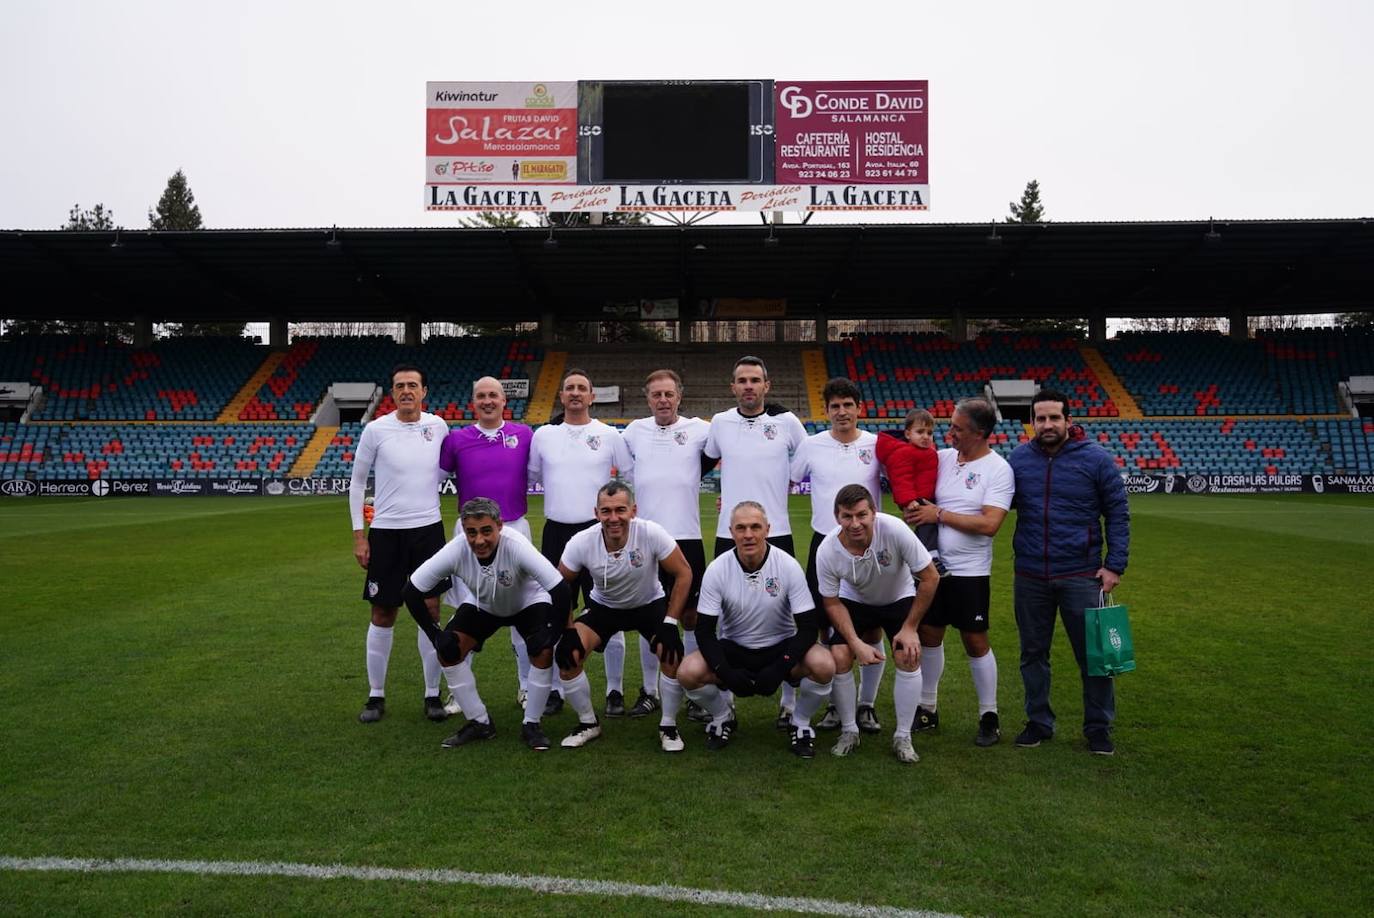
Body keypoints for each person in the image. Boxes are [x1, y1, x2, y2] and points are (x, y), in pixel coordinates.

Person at [1008, 388, 1130, 756]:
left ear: (1068, 421)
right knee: (1032, 653)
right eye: (1040, 419)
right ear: (1031, 423)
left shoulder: (1095, 459)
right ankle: (1039, 722)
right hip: (1030, 574)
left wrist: (1114, 565)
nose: (1046, 424)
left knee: (1094, 656)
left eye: (1053, 418)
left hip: (1082, 574)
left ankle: (1098, 727)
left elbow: (1118, 512)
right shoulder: (1018, 459)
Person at [403, 497, 573, 751]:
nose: (479, 540)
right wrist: (435, 635)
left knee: (542, 649)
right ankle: (479, 722)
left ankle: (532, 724)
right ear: (463, 529)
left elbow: (560, 589)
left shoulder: (516, 545)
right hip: (484, 604)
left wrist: (554, 634)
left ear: (499, 526)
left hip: (527, 602)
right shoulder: (457, 548)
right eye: (471, 532)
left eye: (486, 531)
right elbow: (412, 591)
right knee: (448, 650)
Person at [676, 501, 835, 758]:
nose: (748, 534)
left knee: (825, 664)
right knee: (687, 672)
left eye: (755, 527)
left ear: (767, 530)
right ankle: (722, 716)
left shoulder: (787, 565)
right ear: (731, 532)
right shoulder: (717, 569)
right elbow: (705, 632)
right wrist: (725, 672)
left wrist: (780, 667)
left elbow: (807, 628)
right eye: (741, 528)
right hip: (735, 649)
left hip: (780, 648)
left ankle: (800, 722)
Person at [704, 355, 808, 727]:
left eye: (755, 380)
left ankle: (789, 702)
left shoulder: (786, 422)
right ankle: (724, 699)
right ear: (732, 387)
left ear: (767, 385)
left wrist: (787, 480)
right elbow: (703, 460)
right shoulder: (719, 423)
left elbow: (806, 457)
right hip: (727, 532)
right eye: (742, 380)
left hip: (776, 530)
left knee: (789, 615)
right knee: (723, 616)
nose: (748, 386)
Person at [904, 397, 1014, 747]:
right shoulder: (944, 458)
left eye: (957, 428)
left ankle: (989, 715)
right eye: (949, 425)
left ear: (980, 433)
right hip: (931, 571)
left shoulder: (998, 470)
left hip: (970, 573)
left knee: (975, 640)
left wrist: (939, 515)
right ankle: (928, 707)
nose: (948, 433)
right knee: (930, 636)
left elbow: (990, 524)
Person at [553, 481, 694, 751]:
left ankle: (668, 726)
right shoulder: (581, 541)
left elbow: (684, 572)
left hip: (648, 605)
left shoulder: (651, 533)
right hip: (604, 607)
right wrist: (568, 628)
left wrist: (670, 621)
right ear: (596, 513)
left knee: (671, 652)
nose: (613, 518)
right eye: (606, 511)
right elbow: (560, 586)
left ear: (633, 510)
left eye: (620, 510)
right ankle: (588, 723)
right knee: (567, 655)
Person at [348, 364, 453, 725]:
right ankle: (376, 696)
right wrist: (359, 536)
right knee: (383, 612)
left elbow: (448, 469)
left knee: (431, 610)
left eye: (413, 385)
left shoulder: (438, 426)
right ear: (392, 393)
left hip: (428, 530)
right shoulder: (376, 430)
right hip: (387, 532)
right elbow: (357, 483)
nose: (406, 390)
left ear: (424, 391)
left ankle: (432, 694)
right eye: (399, 386)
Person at [528, 368, 634, 716]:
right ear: (561, 396)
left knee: (611, 608)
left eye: (582, 389)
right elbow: (531, 475)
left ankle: (615, 690)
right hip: (556, 532)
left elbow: (630, 477)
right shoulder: (543, 435)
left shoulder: (609, 435)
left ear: (592, 397)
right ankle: (557, 687)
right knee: (557, 612)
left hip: (600, 533)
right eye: (569, 388)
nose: (575, 393)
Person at [788, 377, 888, 735]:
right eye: (835, 406)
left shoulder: (878, 445)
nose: (842, 411)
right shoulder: (811, 445)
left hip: (869, 545)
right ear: (827, 411)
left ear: (859, 408)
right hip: (824, 545)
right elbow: (786, 480)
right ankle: (834, 702)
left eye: (848, 404)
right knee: (825, 623)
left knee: (873, 624)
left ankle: (867, 704)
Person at [816, 485, 940, 763]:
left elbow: (931, 577)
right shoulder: (827, 550)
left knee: (908, 655)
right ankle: (849, 730)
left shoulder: (894, 530)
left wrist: (910, 628)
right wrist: (856, 642)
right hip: (854, 599)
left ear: (874, 513)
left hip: (897, 596)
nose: (855, 523)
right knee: (839, 655)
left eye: (862, 515)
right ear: (837, 517)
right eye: (847, 516)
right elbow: (832, 601)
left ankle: (903, 736)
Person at [621, 369, 714, 720]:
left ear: (679, 396)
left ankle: (691, 690)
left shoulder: (700, 430)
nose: (663, 400)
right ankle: (650, 691)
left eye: (668, 394)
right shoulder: (633, 432)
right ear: (648, 399)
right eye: (656, 394)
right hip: (645, 539)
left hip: (687, 537)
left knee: (689, 616)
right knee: (652, 616)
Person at [439, 376, 535, 709]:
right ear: (473, 402)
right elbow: (432, 478)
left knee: (523, 609)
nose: (488, 400)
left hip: (514, 528)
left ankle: (527, 686)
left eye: (493, 395)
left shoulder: (524, 434)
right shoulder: (456, 439)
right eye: (481, 396)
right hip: (469, 533)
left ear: (504, 400)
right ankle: (459, 690)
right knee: (467, 610)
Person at [876, 407, 947, 575]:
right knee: (927, 526)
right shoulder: (903, 452)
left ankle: (923, 557)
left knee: (930, 527)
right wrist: (908, 500)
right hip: (916, 499)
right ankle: (930, 558)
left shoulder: (927, 451)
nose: (925, 436)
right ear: (908, 434)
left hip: (927, 497)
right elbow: (901, 478)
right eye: (920, 432)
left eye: (929, 433)